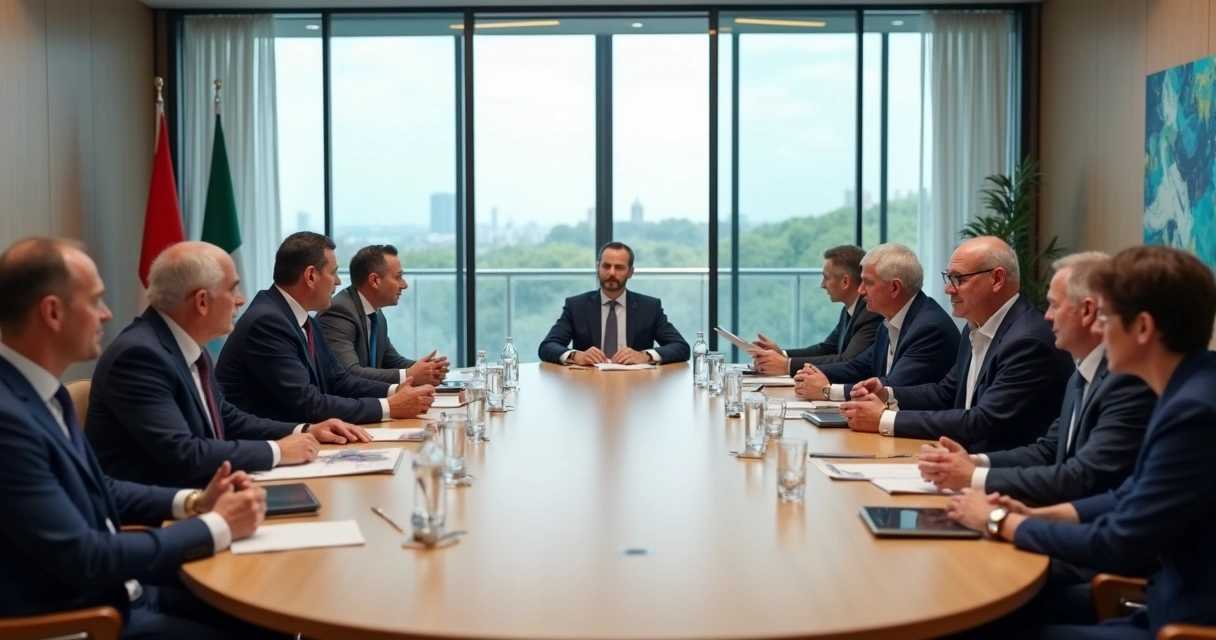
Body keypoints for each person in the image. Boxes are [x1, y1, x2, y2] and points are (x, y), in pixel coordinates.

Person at [0, 237, 281, 639]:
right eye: (95, 300)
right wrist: (217, 525)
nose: (107, 313)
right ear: (53, 312)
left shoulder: (46, 392)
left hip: (123, 590)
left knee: (268, 612)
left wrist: (195, 502)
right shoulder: (8, 420)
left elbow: (101, 487)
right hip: (85, 617)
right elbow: (86, 557)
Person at [946, 245, 1216, 639]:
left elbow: (1118, 543)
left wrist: (999, 520)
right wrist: (1036, 515)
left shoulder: (1194, 412)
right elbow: (1126, 495)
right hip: (1160, 604)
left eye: (1106, 317)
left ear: (1142, 328)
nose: (1100, 331)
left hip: (1178, 623)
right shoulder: (1187, 388)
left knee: (975, 622)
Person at [87, 242, 371, 488]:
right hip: (158, 515)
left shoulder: (188, 347)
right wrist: (277, 451)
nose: (241, 299)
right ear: (201, 302)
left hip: (207, 492)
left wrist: (305, 430)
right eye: (233, 289)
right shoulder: (139, 356)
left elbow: (228, 419)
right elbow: (185, 454)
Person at [918, 251, 1154, 506]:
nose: (1048, 316)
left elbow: (1083, 477)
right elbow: (1049, 450)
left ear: (1087, 311)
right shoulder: (1082, 370)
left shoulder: (1126, 381)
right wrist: (974, 462)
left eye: (1054, 304)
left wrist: (975, 479)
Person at [840, 237, 1074, 453]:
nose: (948, 289)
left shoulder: (1027, 341)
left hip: (1002, 475)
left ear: (997, 279)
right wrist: (886, 393)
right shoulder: (974, 327)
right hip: (960, 460)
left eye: (959, 279)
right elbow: (945, 393)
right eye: (948, 278)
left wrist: (883, 419)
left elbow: (980, 421)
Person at [216, 232, 435, 424]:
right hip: (266, 450)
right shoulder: (266, 322)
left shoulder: (305, 321)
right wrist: (390, 407)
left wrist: (397, 391)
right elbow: (308, 402)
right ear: (311, 276)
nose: (339, 282)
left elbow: (339, 380)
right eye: (334, 273)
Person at [788, 243, 959, 401]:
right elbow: (858, 366)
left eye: (867, 283)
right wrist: (811, 372)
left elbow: (892, 387)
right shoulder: (890, 320)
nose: (861, 290)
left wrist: (827, 391)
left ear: (894, 288)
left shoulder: (929, 328)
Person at [538, 242, 690, 365]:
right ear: (598, 268)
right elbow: (547, 346)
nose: (611, 273)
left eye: (619, 267)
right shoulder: (577, 306)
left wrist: (645, 356)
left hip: (637, 388)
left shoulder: (649, 307)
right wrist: (576, 356)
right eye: (606, 266)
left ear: (631, 272)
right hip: (587, 387)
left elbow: (681, 347)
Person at [318, 244, 449, 386]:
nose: (404, 285)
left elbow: (391, 362)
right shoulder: (338, 312)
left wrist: (429, 369)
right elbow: (349, 372)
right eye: (398, 277)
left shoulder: (375, 314)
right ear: (374, 280)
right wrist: (409, 374)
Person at [750, 245, 882, 375]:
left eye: (826, 277)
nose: (822, 284)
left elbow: (847, 361)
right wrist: (781, 354)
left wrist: (787, 365)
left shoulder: (870, 314)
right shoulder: (849, 310)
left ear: (845, 282)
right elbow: (825, 349)